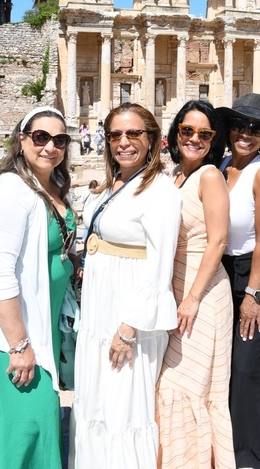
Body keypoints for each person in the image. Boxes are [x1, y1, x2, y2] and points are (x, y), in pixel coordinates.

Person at [71, 103, 182, 469]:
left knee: (124, 404)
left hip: (129, 313)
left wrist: (129, 327)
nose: (124, 142)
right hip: (101, 308)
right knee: (97, 399)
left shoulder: (160, 191)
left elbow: (159, 265)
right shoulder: (111, 184)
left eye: (134, 133)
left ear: (152, 140)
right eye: (116, 134)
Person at [0, 106, 76, 469]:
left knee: (39, 426)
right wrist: (19, 346)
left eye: (59, 140)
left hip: (45, 325)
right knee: (26, 429)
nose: (49, 147)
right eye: (40, 137)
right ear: (22, 139)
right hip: (17, 336)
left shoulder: (53, 184)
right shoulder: (11, 187)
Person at [156, 100, 235, 469]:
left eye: (205, 134)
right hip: (175, 285)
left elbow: (218, 241)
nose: (195, 139)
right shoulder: (173, 174)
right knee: (171, 382)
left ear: (214, 140)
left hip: (201, 293)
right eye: (187, 131)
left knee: (186, 384)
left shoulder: (209, 176)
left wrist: (191, 299)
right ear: (175, 133)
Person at [216, 93, 260, 469]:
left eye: (255, 128)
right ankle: (225, 443)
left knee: (246, 367)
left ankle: (249, 459)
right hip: (227, 273)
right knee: (226, 364)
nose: (246, 133)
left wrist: (253, 295)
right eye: (240, 125)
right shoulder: (224, 164)